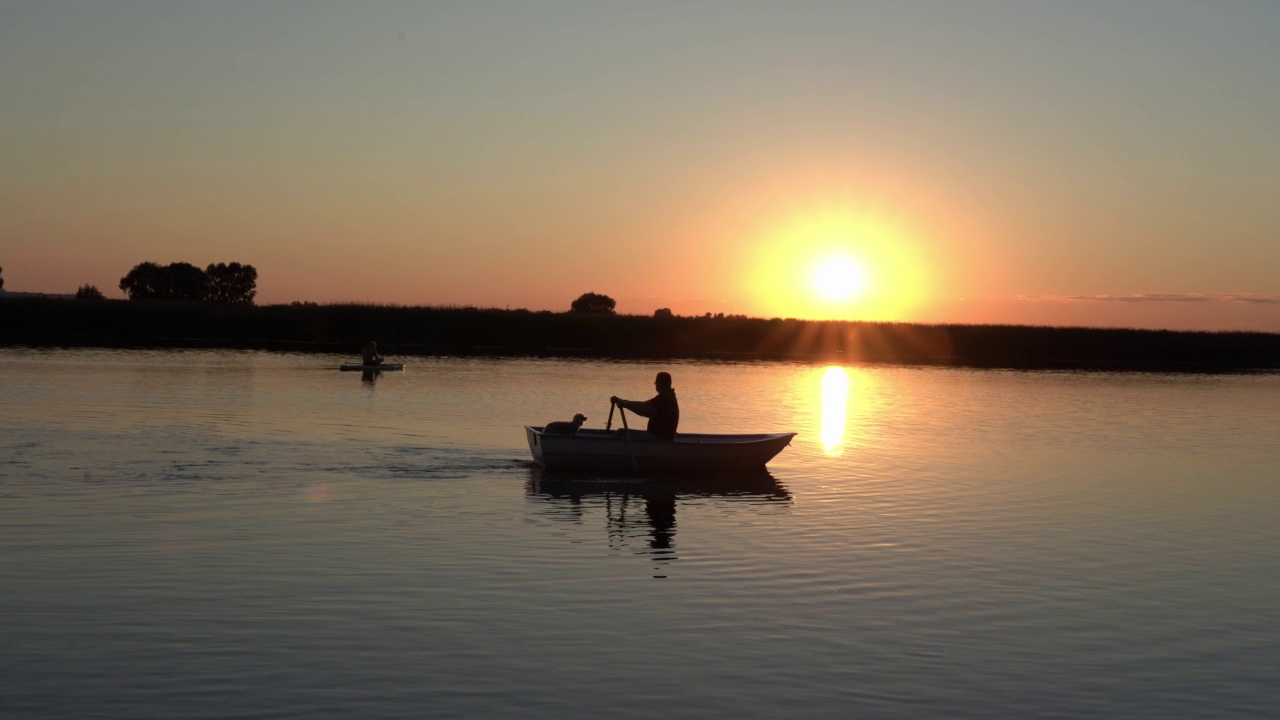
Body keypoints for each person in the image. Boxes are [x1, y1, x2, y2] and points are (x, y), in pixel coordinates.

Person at [611, 371, 680, 441]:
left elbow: (644, 410)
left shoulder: (665, 400)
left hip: (659, 439)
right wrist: (623, 401)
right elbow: (643, 405)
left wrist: (626, 405)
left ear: (662, 384)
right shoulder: (666, 397)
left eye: (656, 383)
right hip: (658, 436)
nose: (656, 385)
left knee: (621, 433)